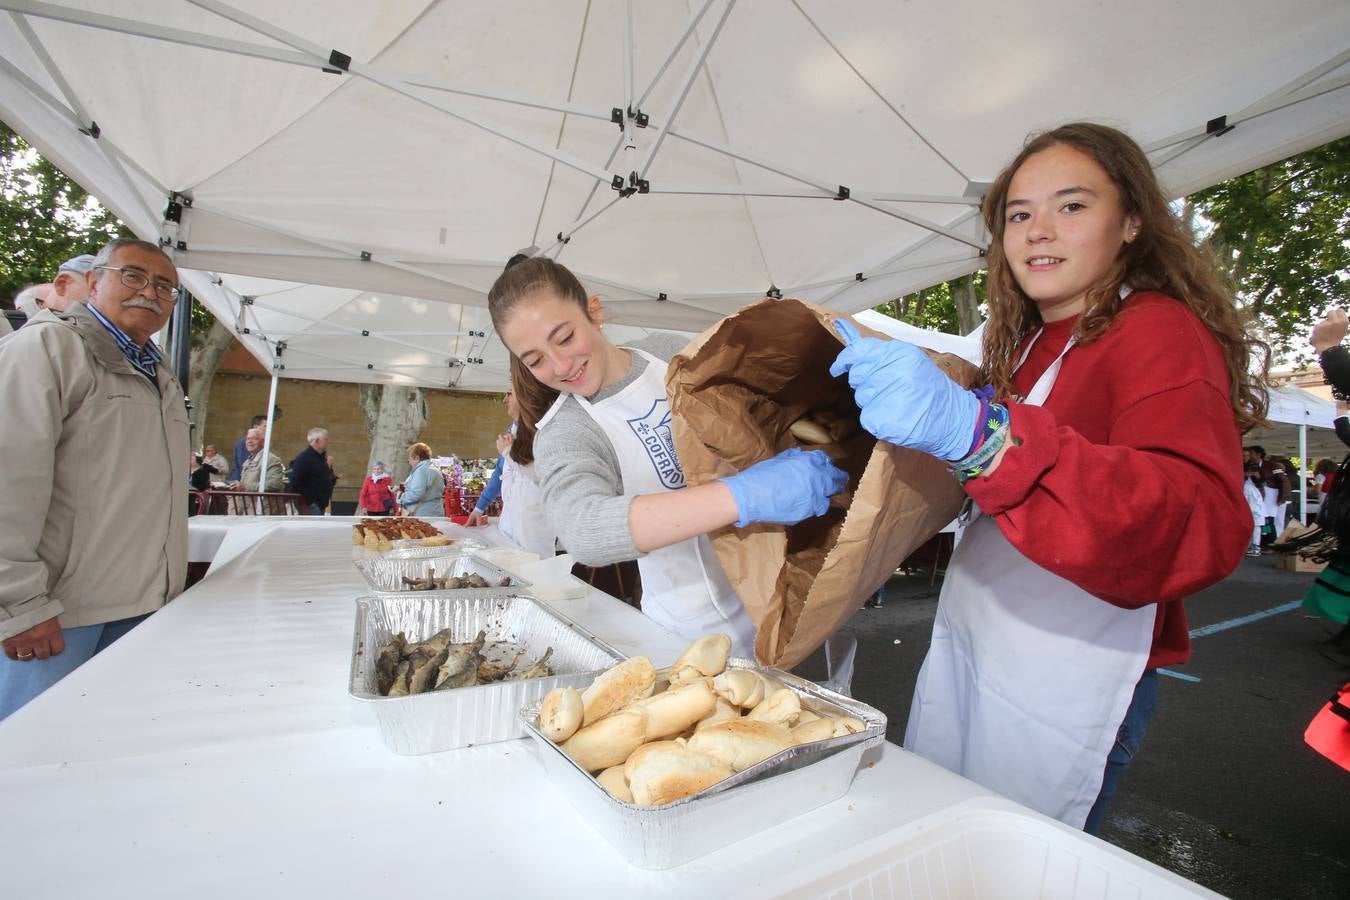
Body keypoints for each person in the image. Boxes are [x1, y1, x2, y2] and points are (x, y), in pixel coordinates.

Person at [830, 123, 1263, 832]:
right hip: (981, 637)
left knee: (1022, 858)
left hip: (1072, 668)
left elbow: (1201, 521)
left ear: (1130, 222)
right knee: (951, 835)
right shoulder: (1024, 342)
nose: (1038, 232)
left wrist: (983, 433)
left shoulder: (1159, 331)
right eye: (1019, 215)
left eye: (1071, 206)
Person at [488, 257, 848, 657]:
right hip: (693, 638)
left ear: (595, 312)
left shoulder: (667, 352)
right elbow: (583, 529)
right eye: (535, 360)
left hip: (783, 593)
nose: (560, 366)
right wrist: (743, 496)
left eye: (566, 337)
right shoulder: (565, 432)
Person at [0, 238, 189, 720]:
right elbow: (9, 482)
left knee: (102, 750)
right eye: (132, 275)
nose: (149, 291)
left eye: (165, 286)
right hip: (61, 615)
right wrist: (19, 606)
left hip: (142, 606)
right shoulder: (47, 348)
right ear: (93, 281)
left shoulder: (157, 372)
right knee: (31, 755)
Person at [467, 388, 558, 557]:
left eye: (509, 394)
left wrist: (508, 452)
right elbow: (500, 473)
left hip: (534, 529)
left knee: (536, 571)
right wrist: (480, 507)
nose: (504, 399)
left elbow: (544, 475)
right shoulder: (510, 432)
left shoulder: (545, 432)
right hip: (510, 521)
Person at [287, 427, 337, 515]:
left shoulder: (320, 458)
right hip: (310, 506)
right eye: (325, 439)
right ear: (317, 441)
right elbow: (295, 482)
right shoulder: (305, 458)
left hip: (319, 505)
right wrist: (310, 502)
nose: (328, 442)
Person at [398, 442, 446, 517]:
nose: (409, 462)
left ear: (417, 458)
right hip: (436, 511)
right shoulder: (435, 469)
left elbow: (416, 494)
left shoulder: (421, 470)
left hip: (422, 513)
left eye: (410, 459)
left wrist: (400, 497)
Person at [233, 427, 284, 492]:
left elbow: (275, 484)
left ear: (263, 442)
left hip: (260, 501)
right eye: (248, 439)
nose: (249, 441)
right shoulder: (247, 461)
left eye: (254, 439)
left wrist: (246, 487)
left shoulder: (271, 460)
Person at [230, 414, 269, 481]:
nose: (267, 429)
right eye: (265, 426)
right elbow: (243, 465)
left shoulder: (260, 442)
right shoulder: (246, 443)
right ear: (256, 427)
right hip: (240, 481)